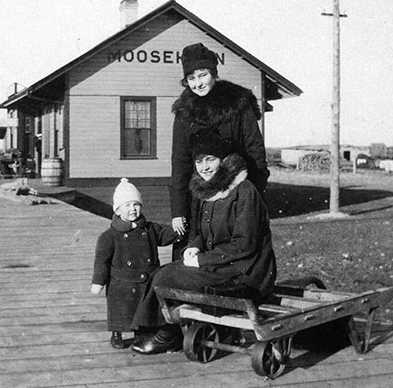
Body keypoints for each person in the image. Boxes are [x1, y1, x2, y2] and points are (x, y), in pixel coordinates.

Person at [131, 128, 277, 354]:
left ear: (224, 161)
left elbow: (245, 244)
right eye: (199, 161)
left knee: (167, 276)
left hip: (248, 271)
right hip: (221, 263)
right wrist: (194, 247)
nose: (204, 167)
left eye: (210, 159)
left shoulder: (244, 191)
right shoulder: (207, 192)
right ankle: (153, 330)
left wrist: (202, 260)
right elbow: (202, 232)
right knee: (160, 272)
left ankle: (167, 335)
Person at [169, 42, 270, 260]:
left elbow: (255, 150)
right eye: (191, 79)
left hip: (234, 194)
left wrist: (252, 195)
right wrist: (178, 210)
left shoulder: (238, 103)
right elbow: (180, 162)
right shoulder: (184, 112)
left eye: (202, 75)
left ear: (214, 73)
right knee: (191, 254)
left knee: (235, 250)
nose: (198, 84)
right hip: (198, 195)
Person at [91, 178, 183, 349]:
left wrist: (177, 229)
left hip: (147, 278)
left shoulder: (149, 229)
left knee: (143, 308)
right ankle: (117, 333)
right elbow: (102, 261)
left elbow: (163, 236)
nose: (133, 209)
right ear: (117, 210)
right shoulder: (109, 236)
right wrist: (98, 282)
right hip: (122, 282)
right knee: (121, 310)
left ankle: (142, 332)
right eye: (127, 205)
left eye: (136, 204)